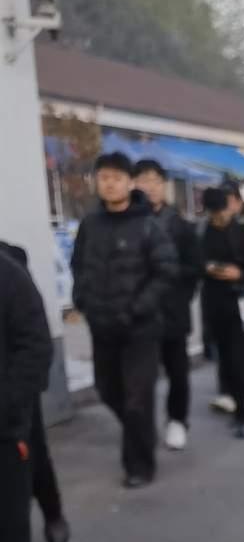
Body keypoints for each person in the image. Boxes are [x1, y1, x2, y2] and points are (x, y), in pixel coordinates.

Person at [70, 151, 177, 487]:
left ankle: (139, 466)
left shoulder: (148, 225)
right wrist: (82, 300)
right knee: (108, 391)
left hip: (139, 329)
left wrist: (137, 308)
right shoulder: (90, 224)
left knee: (136, 399)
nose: (110, 183)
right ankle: (143, 432)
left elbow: (166, 271)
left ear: (130, 183)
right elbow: (78, 266)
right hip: (102, 327)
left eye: (116, 177)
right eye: (104, 177)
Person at [0, 246, 54, 542]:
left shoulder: (10, 276)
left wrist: (9, 407)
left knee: (8, 525)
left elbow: (34, 346)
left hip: (5, 428)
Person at [0, 240, 68, 542]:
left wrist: (14, 394)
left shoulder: (10, 263)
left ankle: (52, 512)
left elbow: (33, 340)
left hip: (14, 389)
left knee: (34, 455)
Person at [130, 159, 201, 452]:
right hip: (139, 313)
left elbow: (194, 268)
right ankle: (142, 426)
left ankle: (177, 420)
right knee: (140, 376)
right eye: (144, 180)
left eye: (155, 181)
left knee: (177, 371)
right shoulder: (129, 223)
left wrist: (174, 288)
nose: (150, 187)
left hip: (172, 311)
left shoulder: (181, 226)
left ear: (164, 186)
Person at [200, 186, 244, 437]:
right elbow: (191, 263)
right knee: (225, 360)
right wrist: (207, 268)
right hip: (213, 303)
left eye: (222, 211)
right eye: (214, 212)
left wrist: (243, 275)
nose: (219, 217)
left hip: (240, 302)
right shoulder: (201, 232)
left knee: (240, 358)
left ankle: (242, 413)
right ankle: (231, 397)